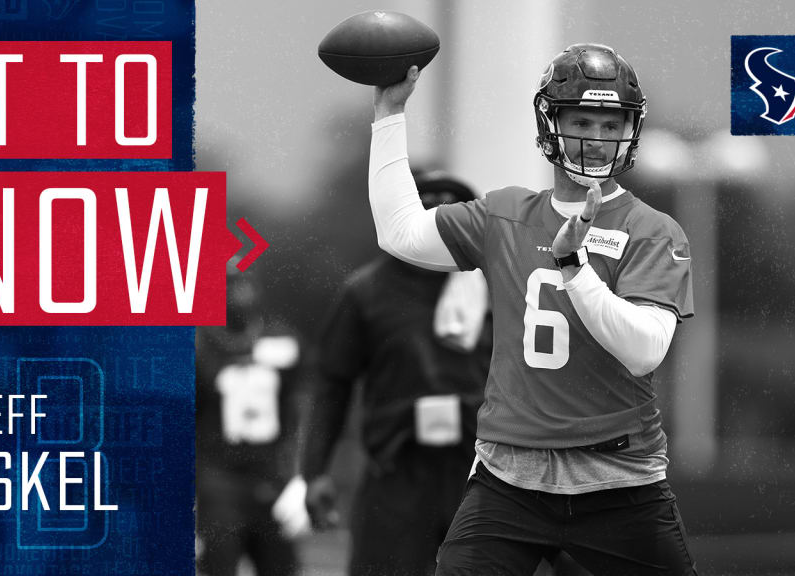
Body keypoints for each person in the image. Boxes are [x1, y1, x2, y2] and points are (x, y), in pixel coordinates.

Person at [366, 44, 698, 575]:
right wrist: (389, 116)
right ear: (551, 125)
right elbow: (400, 232)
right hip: (510, 476)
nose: (596, 136)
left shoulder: (652, 230)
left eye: (610, 124)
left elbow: (644, 351)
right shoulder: (505, 215)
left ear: (629, 131)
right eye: (582, 120)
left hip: (617, 477)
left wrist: (575, 267)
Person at [299, 170, 492, 576]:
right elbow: (332, 385)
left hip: (481, 470)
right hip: (398, 467)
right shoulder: (367, 291)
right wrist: (315, 471)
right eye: (428, 205)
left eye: (451, 209)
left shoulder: (498, 284)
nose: (439, 216)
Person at [196, 267, 304, 576]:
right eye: (228, 285)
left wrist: (300, 476)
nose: (237, 294)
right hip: (218, 479)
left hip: (272, 477)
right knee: (219, 566)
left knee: (281, 567)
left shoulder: (281, 338)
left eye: (242, 284)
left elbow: (300, 408)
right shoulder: (198, 344)